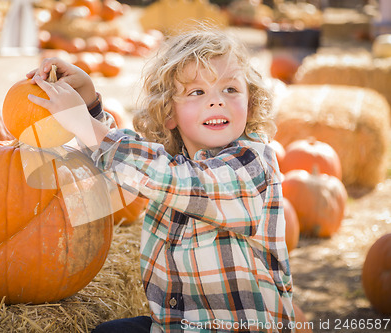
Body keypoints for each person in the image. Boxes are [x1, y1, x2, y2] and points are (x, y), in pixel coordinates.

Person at [26, 27, 295, 333]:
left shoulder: (252, 164)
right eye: (197, 92)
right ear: (169, 113)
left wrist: (84, 126)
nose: (217, 101)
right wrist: (89, 103)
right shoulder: (172, 161)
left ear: (249, 101)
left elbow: (175, 178)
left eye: (231, 89)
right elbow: (137, 165)